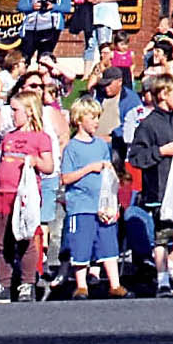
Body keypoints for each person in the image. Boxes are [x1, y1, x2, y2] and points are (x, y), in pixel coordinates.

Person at [0, 88, 59, 301]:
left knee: (26, 238)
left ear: (29, 111)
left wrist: (34, 161)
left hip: (23, 197)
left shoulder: (40, 138)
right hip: (2, 193)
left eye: (16, 110)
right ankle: (4, 283)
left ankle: (27, 283)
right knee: (1, 241)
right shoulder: (8, 137)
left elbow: (49, 166)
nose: (12, 114)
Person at [128, 76, 173, 293]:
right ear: (163, 95)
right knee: (163, 235)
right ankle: (162, 281)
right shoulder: (148, 124)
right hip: (159, 189)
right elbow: (135, 157)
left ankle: (171, 264)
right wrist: (160, 151)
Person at [60, 98, 126, 298]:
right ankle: (81, 285)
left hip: (102, 205)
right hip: (81, 206)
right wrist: (89, 168)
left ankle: (115, 284)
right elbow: (66, 177)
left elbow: (110, 176)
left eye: (98, 117)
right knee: (81, 246)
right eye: (92, 117)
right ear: (79, 120)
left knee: (108, 244)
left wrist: (112, 203)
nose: (96, 122)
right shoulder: (72, 147)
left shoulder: (101, 145)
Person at [18, 0, 71, 64]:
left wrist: (53, 6)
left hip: (51, 27)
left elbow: (67, 7)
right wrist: (32, 7)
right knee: (25, 56)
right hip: (31, 26)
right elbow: (21, 6)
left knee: (44, 58)